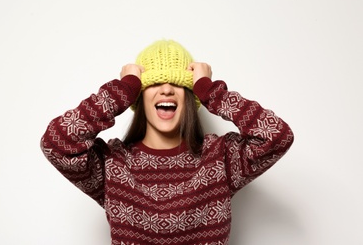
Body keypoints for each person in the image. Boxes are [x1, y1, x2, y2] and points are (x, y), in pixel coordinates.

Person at [40, 40, 294, 245]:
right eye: (154, 83)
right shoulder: (113, 164)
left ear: (191, 96)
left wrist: (212, 91)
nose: (166, 90)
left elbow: (277, 136)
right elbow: (57, 142)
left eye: (177, 83)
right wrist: (121, 90)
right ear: (138, 97)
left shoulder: (220, 158)